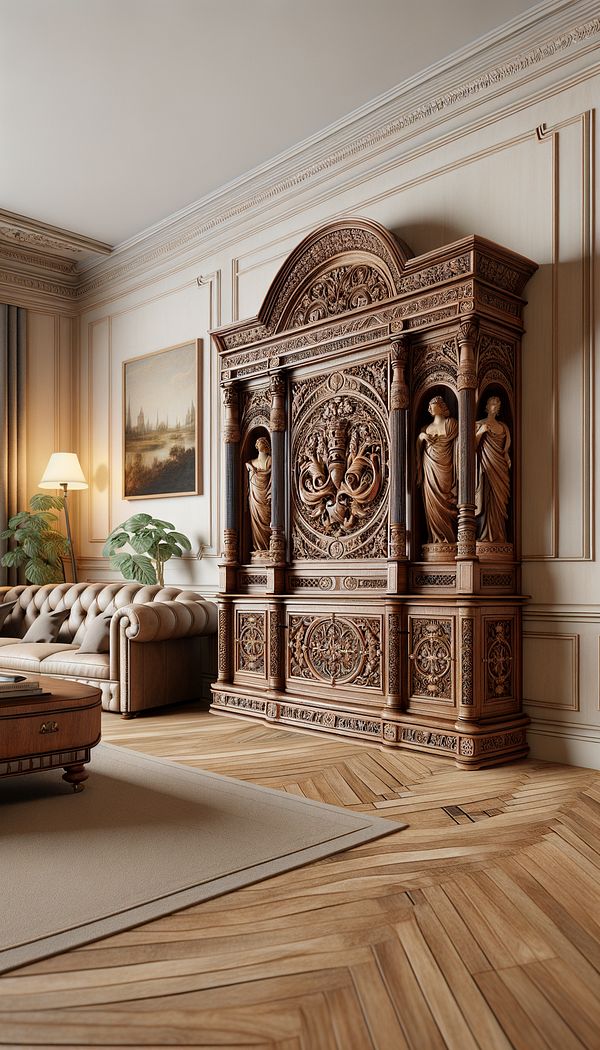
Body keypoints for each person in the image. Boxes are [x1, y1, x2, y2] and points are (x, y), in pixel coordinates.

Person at [416, 395, 458, 544]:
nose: (431, 406)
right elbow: (417, 449)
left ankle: (450, 539)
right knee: (431, 504)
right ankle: (436, 539)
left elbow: (460, 445)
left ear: (441, 406)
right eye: (430, 404)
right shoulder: (425, 428)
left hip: (446, 467)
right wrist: (421, 437)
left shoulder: (451, 424)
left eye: (434, 404)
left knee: (446, 499)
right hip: (430, 467)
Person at [475, 395, 511, 542]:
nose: (495, 406)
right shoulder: (479, 424)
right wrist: (480, 432)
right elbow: (469, 448)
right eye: (492, 403)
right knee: (486, 499)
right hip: (486, 467)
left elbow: (505, 449)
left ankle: (498, 537)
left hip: (500, 467)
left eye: (497, 403)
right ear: (487, 406)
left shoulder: (503, 427)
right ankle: (484, 536)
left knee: (499, 502)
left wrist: (507, 457)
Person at [246, 435, 272, 552]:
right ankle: (259, 548)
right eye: (259, 442)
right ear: (256, 446)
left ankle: (268, 548)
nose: (261, 443)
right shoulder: (251, 463)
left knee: (267, 519)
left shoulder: (270, 460)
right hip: (255, 497)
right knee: (255, 521)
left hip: (266, 496)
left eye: (263, 442)